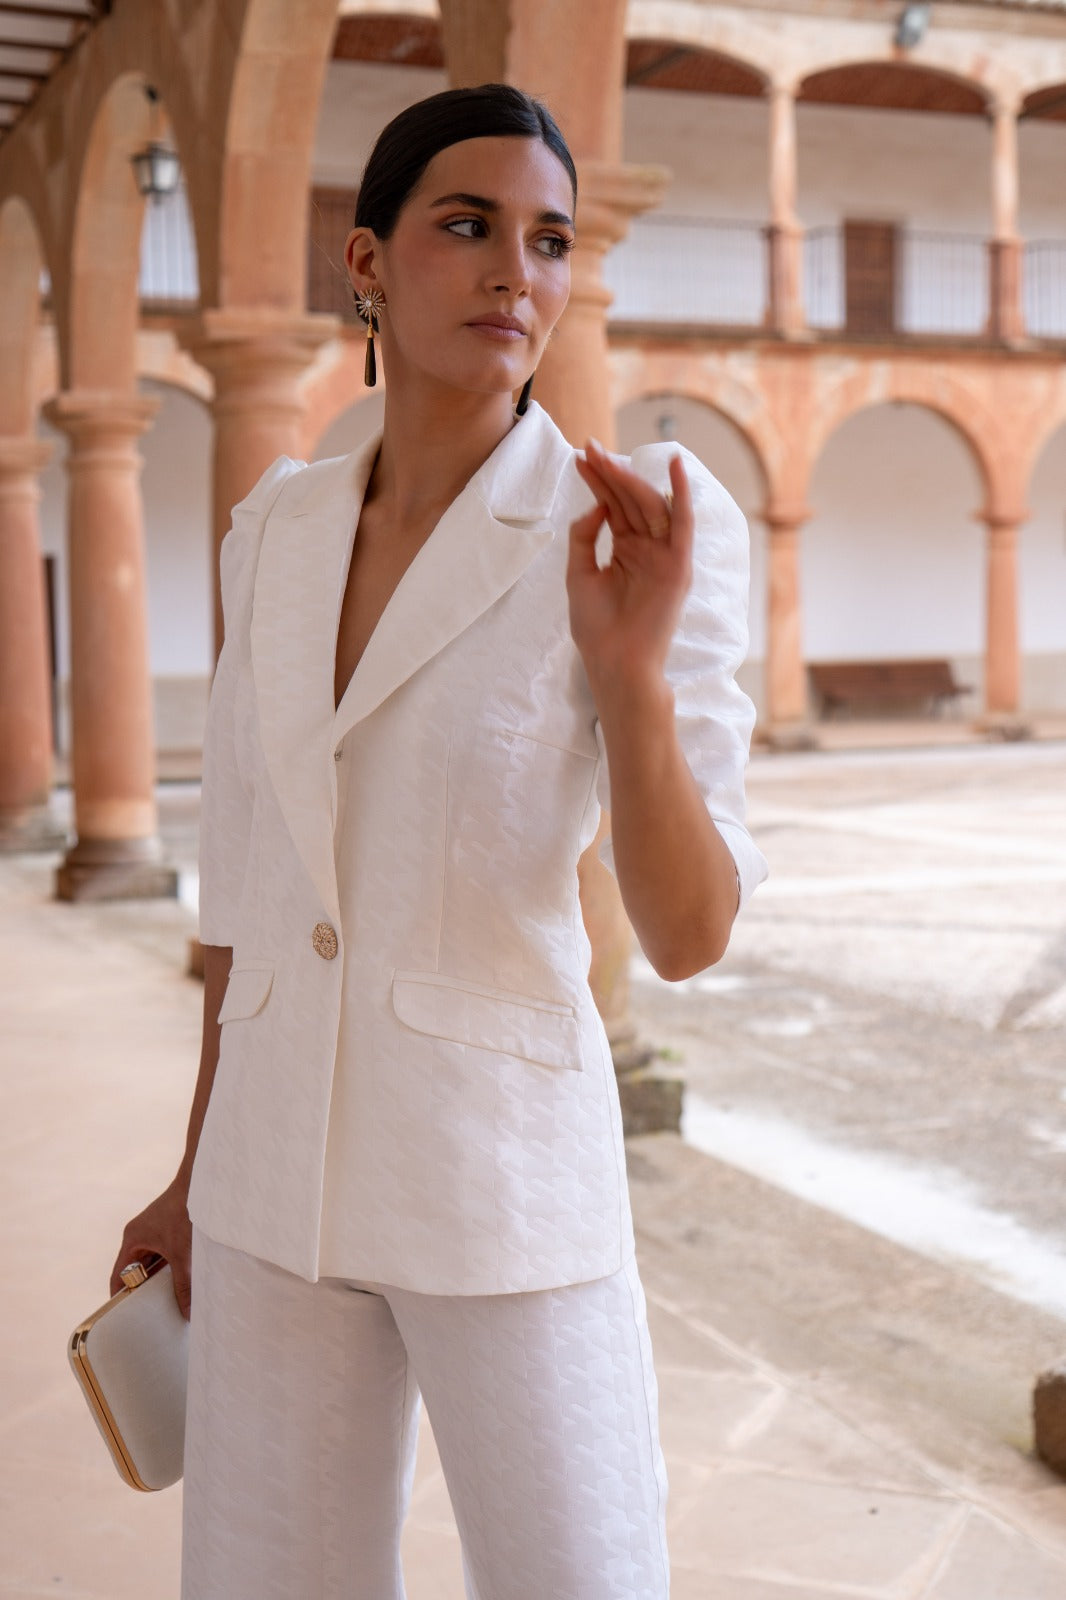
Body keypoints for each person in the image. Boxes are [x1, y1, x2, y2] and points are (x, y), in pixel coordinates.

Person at [111, 83, 766, 1600]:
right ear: (367, 260)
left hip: (505, 1182)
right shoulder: (274, 531)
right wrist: (197, 1168)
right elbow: (244, 889)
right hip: (271, 1188)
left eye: (550, 241)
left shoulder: (644, 530)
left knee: (580, 1577)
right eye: (467, 226)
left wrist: (631, 673)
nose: (514, 273)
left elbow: (689, 934)